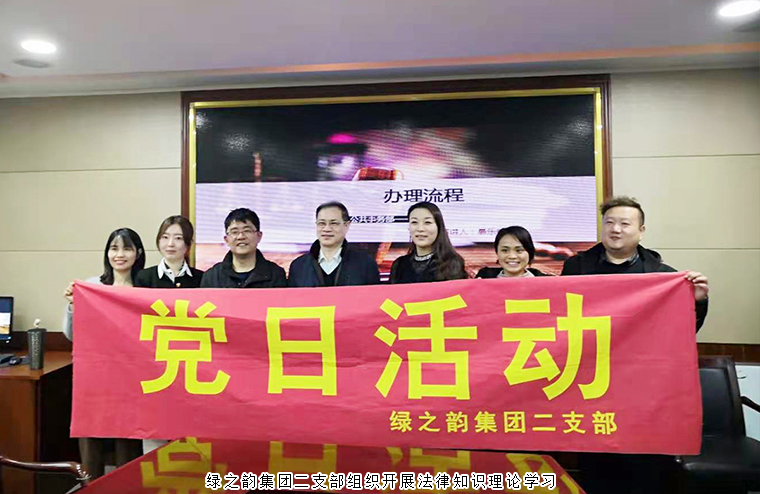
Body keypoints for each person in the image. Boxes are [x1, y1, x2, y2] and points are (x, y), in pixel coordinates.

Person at [61, 227, 146, 478]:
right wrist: (72, 307)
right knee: (91, 444)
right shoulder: (93, 286)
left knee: (127, 447)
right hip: (95, 378)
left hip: (131, 379)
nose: (120, 254)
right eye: (114, 248)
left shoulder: (146, 288)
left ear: (138, 253)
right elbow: (72, 335)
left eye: (127, 248)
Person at [561, 196, 709, 331]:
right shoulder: (575, 268)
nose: (615, 229)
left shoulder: (662, 275)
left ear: (641, 231)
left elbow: (681, 329)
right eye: (609, 223)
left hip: (641, 351)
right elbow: (559, 316)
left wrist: (697, 301)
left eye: (624, 224)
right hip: (591, 348)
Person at [288, 201, 380, 287]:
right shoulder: (299, 266)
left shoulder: (365, 263)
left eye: (334, 223)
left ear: (346, 225)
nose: (327, 229)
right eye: (321, 223)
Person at [200, 208, 287, 288]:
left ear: (259, 236)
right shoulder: (212, 276)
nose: (241, 237)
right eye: (234, 232)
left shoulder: (275, 274)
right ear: (226, 239)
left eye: (247, 231)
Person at [390, 201, 468, 283]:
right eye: (414, 222)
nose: (420, 229)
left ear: (438, 227)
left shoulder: (452, 263)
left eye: (427, 222)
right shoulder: (399, 265)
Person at [134, 215, 203, 288]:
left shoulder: (200, 278)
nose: (170, 244)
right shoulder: (144, 277)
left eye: (178, 238)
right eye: (165, 237)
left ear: (189, 243)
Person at [476, 226, 549, 278]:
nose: (512, 256)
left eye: (519, 250)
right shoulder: (483, 279)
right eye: (505, 250)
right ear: (497, 253)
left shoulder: (546, 283)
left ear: (529, 252)